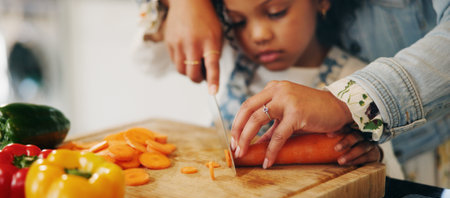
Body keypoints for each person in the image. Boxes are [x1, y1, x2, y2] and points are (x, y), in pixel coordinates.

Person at [152, 0, 449, 171]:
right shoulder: (239, 64)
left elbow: (388, 169)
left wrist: (373, 158)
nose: (257, 34)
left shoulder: (352, 78)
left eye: (277, 11)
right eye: (237, 22)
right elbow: (145, 60)